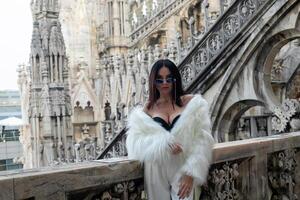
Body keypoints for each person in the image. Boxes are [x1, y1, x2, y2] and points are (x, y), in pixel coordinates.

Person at [126, 59, 214, 200]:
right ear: (153, 82)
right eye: (159, 79)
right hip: (155, 167)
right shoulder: (147, 108)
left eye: (169, 78)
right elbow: (134, 143)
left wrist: (191, 172)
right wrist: (163, 143)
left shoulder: (192, 103)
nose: (165, 83)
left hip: (182, 165)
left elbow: (203, 139)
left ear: (175, 79)